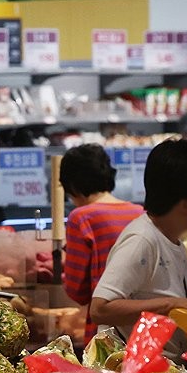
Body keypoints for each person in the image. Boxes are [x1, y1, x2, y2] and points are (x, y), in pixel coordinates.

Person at [91, 139, 187, 357]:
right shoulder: (142, 240)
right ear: (186, 203)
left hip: (167, 371)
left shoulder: (173, 241)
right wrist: (170, 305)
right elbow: (100, 309)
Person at [58, 144, 144, 345]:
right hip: (144, 328)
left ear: (72, 185)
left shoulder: (82, 218)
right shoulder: (139, 213)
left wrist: (65, 263)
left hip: (106, 334)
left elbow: (76, 290)